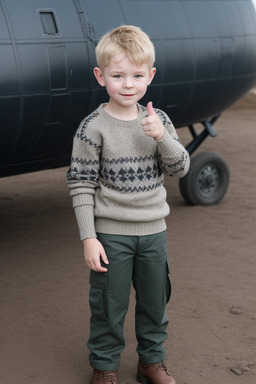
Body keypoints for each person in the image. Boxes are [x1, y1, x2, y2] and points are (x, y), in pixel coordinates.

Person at [66, 25, 190, 384]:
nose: (127, 84)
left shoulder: (159, 121)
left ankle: (151, 362)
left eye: (137, 75)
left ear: (150, 76)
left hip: (154, 233)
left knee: (155, 303)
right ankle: (104, 367)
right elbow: (81, 184)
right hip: (111, 235)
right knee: (108, 306)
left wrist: (162, 138)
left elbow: (180, 168)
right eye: (117, 75)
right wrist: (89, 237)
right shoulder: (92, 128)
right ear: (100, 76)